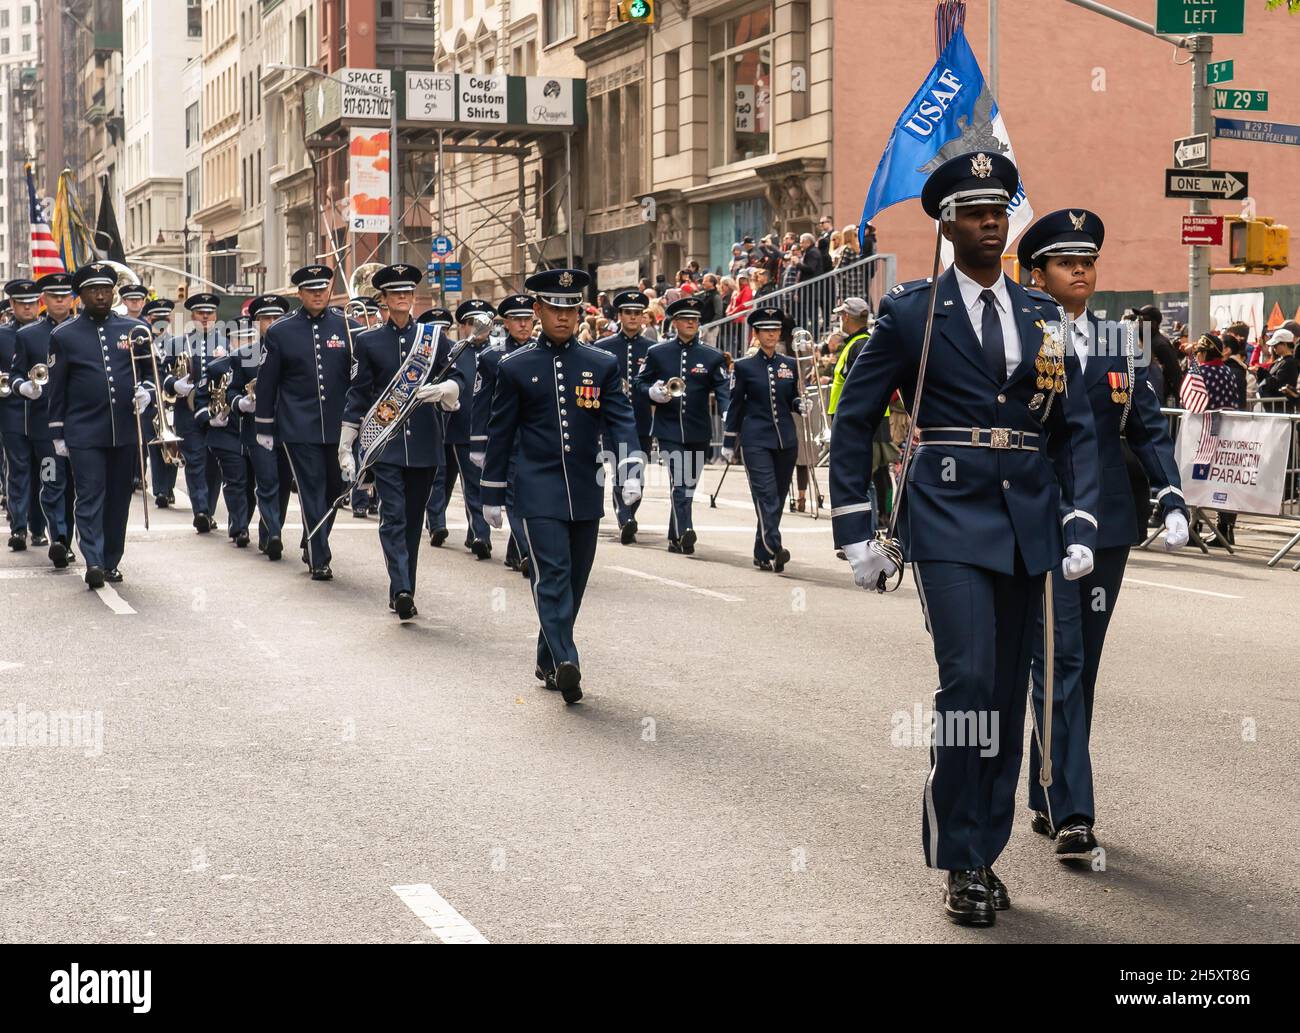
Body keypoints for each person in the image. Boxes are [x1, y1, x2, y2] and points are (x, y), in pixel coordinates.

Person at [829, 152, 1101, 927]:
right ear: (945, 223)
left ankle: (985, 847)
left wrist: (1078, 519)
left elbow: (1075, 426)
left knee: (1010, 695)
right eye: (975, 210)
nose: (991, 220)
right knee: (970, 682)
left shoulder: (1045, 315)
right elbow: (852, 420)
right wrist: (855, 529)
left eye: (1000, 208)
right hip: (946, 515)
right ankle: (959, 856)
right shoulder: (912, 313)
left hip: (1027, 523)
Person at [1017, 209, 1188, 860]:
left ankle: (1046, 785)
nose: (1081, 269)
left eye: (1088, 259)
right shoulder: (1022, 336)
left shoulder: (1125, 339)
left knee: (1081, 659)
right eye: (1066, 261)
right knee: (1058, 658)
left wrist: (1171, 494)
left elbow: (1145, 426)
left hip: (1112, 517)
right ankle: (1073, 812)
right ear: (1038, 274)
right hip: (1045, 512)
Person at [480, 268, 643, 704]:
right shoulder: (515, 367)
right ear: (537, 310)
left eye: (571, 308)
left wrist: (630, 467)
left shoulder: (600, 364)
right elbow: (501, 432)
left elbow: (621, 420)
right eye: (555, 308)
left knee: (575, 580)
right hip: (536, 491)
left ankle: (546, 657)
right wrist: (492, 492)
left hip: (585, 491)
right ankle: (567, 659)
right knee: (551, 575)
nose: (564, 317)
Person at [341, 264, 464, 619]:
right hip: (387, 445)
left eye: (408, 293)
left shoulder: (433, 337)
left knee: (412, 520)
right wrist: (346, 442)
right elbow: (359, 393)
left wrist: (445, 389)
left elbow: (457, 375)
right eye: (396, 293)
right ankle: (403, 588)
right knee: (392, 516)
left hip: (425, 443)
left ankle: (403, 586)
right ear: (384, 299)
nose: (403, 298)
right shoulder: (368, 341)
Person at [46, 263, 154, 588]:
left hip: (124, 429)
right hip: (83, 431)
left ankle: (111, 560)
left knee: (119, 498)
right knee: (90, 495)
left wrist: (146, 393)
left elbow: (150, 374)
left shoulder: (134, 329)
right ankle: (92, 559)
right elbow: (57, 389)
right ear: (81, 296)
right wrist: (57, 432)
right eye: (93, 290)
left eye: (106, 289)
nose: (101, 295)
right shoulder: (63, 335)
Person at [254, 264, 359, 581]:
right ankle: (319, 556)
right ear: (299, 293)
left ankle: (314, 537)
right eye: (310, 289)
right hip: (298, 426)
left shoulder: (349, 327)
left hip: (339, 426)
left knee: (334, 488)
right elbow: (267, 383)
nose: (317, 294)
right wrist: (263, 427)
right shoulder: (281, 331)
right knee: (311, 488)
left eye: (322, 288)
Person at [636, 296, 730, 554]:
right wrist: (652, 392)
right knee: (680, 480)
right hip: (668, 429)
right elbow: (638, 383)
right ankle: (687, 529)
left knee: (688, 484)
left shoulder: (711, 356)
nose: (691, 322)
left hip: (698, 430)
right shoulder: (658, 352)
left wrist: (727, 413)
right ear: (675, 322)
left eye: (695, 319)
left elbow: (722, 389)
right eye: (686, 318)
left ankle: (674, 536)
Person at [722, 306, 806, 572]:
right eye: (766, 330)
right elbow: (735, 404)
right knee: (766, 495)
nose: (771, 334)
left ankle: (762, 551)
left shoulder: (789, 364)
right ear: (756, 333)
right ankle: (775, 545)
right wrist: (728, 440)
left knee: (778, 497)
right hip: (756, 439)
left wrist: (799, 404)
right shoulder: (744, 367)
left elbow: (790, 397)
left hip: (786, 441)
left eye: (775, 330)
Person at [8, 272, 78, 567]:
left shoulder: (86, 331)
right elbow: (14, 373)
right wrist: (23, 386)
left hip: (81, 425)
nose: (60, 300)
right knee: (52, 484)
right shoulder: (28, 335)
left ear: (73, 298)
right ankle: (59, 538)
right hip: (44, 427)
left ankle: (70, 537)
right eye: (53, 295)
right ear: (43, 300)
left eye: (64, 295)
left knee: (77, 488)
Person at [427, 299, 494, 559]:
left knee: (485, 484)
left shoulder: (498, 353)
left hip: (492, 431)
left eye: (483, 324)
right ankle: (480, 535)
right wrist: (445, 404)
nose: (478, 329)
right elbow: (438, 386)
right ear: (463, 326)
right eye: (472, 324)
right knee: (469, 484)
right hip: (460, 428)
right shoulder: (453, 353)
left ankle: (474, 532)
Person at [230, 294, 292, 560]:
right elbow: (231, 391)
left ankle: (268, 532)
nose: (271, 322)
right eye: (266, 318)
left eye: (276, 317)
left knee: (283, 482)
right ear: (256, 323)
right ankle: (275, 533)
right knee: (267, 482)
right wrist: (241, 403)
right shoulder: (244, 355)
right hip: (256, 429)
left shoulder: (293, 349)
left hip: (289, 427)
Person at [480, 293, 537, 575]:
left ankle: (515, 552)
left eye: (528, 319)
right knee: (514, 497)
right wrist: (479, 444)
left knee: (533, 496)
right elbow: (482, 403)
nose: (524, 325)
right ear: (506, 323)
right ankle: (528, 552)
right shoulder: (492, 357)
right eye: (517, 319)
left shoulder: (544, 352)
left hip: (538, 439)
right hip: (509, 440)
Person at [593, 289, 655, 544]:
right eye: (627, 313)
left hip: (641, 420)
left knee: (638, 472)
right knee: (621, 468)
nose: (632, 317)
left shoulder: (653, 349)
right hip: (611, 420)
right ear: (619, 316)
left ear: (643, 318)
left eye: (637, 313)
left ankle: (629, 511)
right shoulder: (603, 348)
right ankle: (624, 516)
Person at [162, 292, 228, 534]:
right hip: (187, 412)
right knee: (195, 461)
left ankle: (208, 511)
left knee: (214, 465)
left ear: (216, 316)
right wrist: (174, 384)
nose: (205, 317)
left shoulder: (226, 342)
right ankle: (200, 510)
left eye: (209, 313)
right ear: (192, 316)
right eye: (200, 313)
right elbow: (164, 373)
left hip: (216, 411)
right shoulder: (177, 343)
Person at [1, 279, 49, 551]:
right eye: (23, 303)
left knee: (45, 471)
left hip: (43, 414)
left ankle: (39, 528)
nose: (29, 308)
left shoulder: (50, 333)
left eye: (33, 303)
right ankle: (19, 528)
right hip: (14, 413)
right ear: (12, 305)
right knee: (18, 470)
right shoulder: (2, 335)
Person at [194, 322, 251, 548]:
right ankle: (240, 528)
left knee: (252, 484)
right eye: (239, 340)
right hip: (227, 433)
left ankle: (250, 524)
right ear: (230, 342)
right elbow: (199, 399)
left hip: (255, 433)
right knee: (235, 480)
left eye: (249, 340)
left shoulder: (261, 365)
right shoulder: (218, 367)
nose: (245, 345)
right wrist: (210, 418)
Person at [140, 299, 179, 508]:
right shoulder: (143, 342)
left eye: (165, 319)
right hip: (151, 401)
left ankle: (170, 487)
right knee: (154, 445)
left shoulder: (178, 343)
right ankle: (160, 490)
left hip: (170, 401)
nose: (161, 323)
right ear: (149, 319)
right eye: (156, 319)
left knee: (172, 443)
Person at [1253, 327, 1298, 412]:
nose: (1273, 348)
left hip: (1282, 409)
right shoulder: (1280, 361)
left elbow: (1280, 384)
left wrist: (1262, 373)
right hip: (1275, 408)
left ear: (1284, 344)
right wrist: (1260, 372)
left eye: (1275, 345)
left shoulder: (1290, 363)